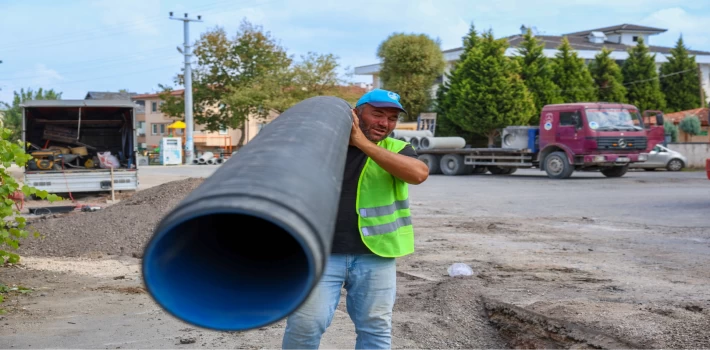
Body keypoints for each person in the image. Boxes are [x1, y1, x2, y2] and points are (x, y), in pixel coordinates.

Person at [282, 89, 430, 350]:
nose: (385, 123)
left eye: (392, 118)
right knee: (305, 324)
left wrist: (362, 142)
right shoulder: (322, 147)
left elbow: (418, 174)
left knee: (375, 326)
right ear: (356, 113)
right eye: (378, 114)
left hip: (376, 254)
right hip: (320, 254)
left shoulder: (398, 149)